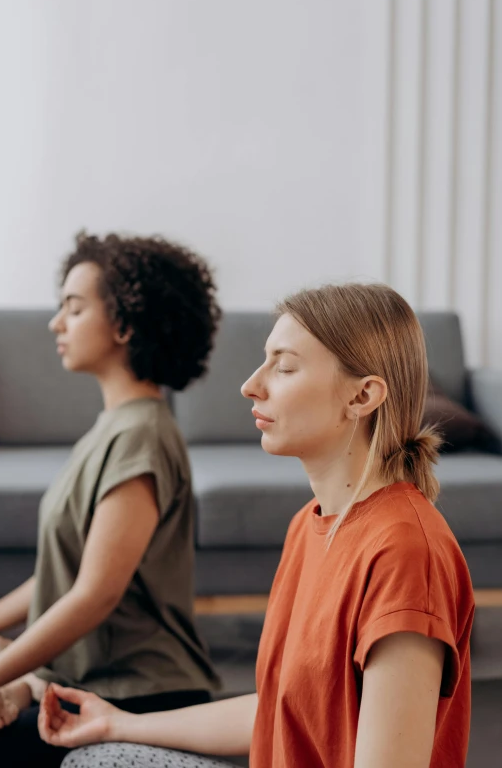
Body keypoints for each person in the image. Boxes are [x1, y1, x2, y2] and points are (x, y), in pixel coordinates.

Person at [38, 282, 474, 768]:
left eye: (284, 367)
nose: (251, 384)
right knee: (98, 755)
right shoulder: (309, 526)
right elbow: (281, 712)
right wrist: (119, 722)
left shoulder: (405, 554)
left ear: (362, 396)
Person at [0, 232, 222, 766]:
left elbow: (94, 594)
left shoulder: (141, 435)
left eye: (73, 307)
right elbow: (72, 566)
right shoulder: (114, 427)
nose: (56, 324)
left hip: (135, 691)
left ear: (124, 325)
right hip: (86, 681)